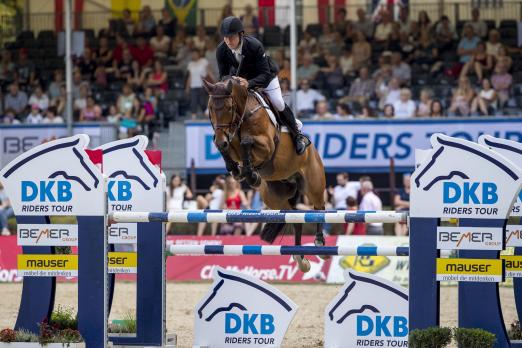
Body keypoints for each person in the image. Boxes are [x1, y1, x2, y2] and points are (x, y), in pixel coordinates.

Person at [216, 16, 310, 155]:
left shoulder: (254, 46)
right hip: (241, 81)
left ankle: (297, 135)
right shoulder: (221, 50)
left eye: (231, 37)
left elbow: (264, 74)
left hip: (265, 78)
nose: (228, 41)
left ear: (241, 34)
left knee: (278, 102)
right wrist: (232, 80)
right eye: (225, 37)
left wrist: (249, 83)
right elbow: (223, 76)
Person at [186, 48, 212, 119]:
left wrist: (214, 82)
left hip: (202, 86)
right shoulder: (190, 64)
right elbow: (190, 76)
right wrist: (187, 88)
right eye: (193, 54)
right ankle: (193, 117)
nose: (194, 55)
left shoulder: (204, 61)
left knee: (202, 102)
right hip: (193, 86)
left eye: (195, 54)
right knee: (193, 102)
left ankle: (208, 116)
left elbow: (209, 72)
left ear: (198, 54)